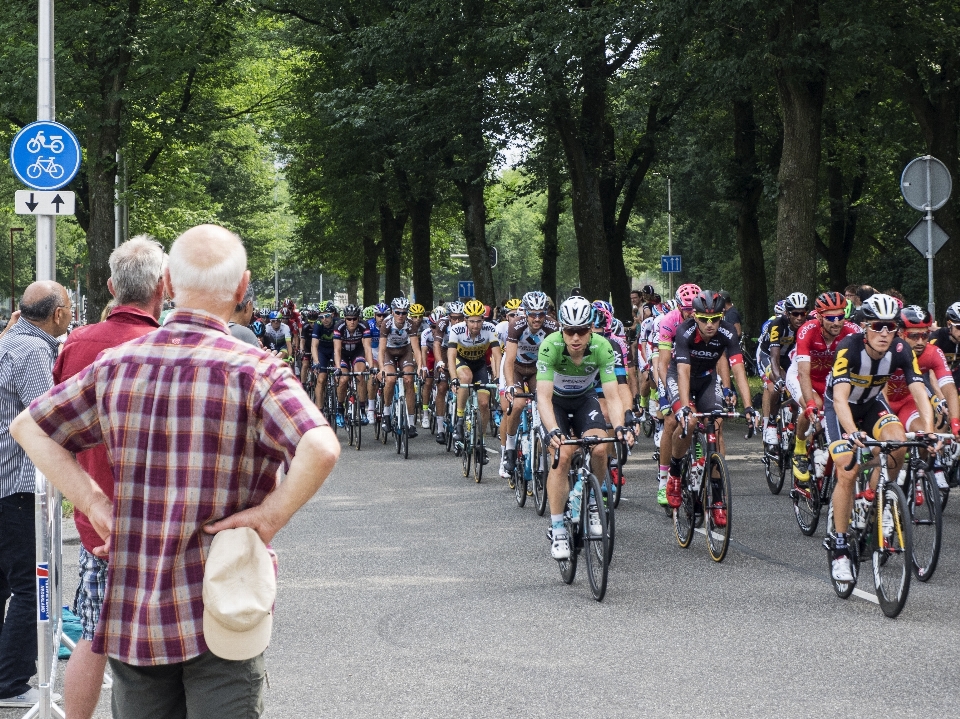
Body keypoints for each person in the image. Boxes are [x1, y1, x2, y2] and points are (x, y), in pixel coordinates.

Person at [11, 224, 340, 718]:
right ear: (243, 285)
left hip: (136, 600)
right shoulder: (256, 371)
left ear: (166, 281)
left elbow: (29, 427)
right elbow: (321, 447)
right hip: (225, 598)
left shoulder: (117, 365)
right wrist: (269, 516)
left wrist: (95, 503)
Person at [54, 237, 165, 719]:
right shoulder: (168, 345)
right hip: (164, 521)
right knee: (168, 649)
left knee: (94, 637)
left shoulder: (77, 344)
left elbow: (50, 429)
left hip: (97, 515)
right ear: (164, 286)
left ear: (110, 286)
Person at [822, 294, 935, 582]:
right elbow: (839, 400)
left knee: (898, 442)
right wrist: (851, 432)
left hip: (872, 405)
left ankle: (874, 497)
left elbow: (920, 390)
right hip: (841, 409)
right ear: (865, 327)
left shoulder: (900, 349)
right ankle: (840, 548)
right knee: (847, 468)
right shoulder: (848, 349)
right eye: (877, 326)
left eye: (891, 326)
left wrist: (930, 429)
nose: (884, 333)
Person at [0, 281, 72, 707]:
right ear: (58, 313)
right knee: (31, 585)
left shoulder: (9, 341)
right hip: (20, 484)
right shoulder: (32, 352)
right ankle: (10, 683)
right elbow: (43, 420)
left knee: (6, 584)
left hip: (4, 481)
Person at [537, 296, 634, 560]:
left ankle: (593, 503)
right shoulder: (550, 347)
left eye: (582, 331)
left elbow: (612, 397)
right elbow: (543, 397)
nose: (576, 337)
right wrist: (554, 430)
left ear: (591, 329)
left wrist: (620, 427)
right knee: (563, 456)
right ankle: (558, 529)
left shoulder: (603, 347)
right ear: (562, 330)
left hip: (584, 400)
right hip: (555, 402)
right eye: (570, 331)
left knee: (601, 448)